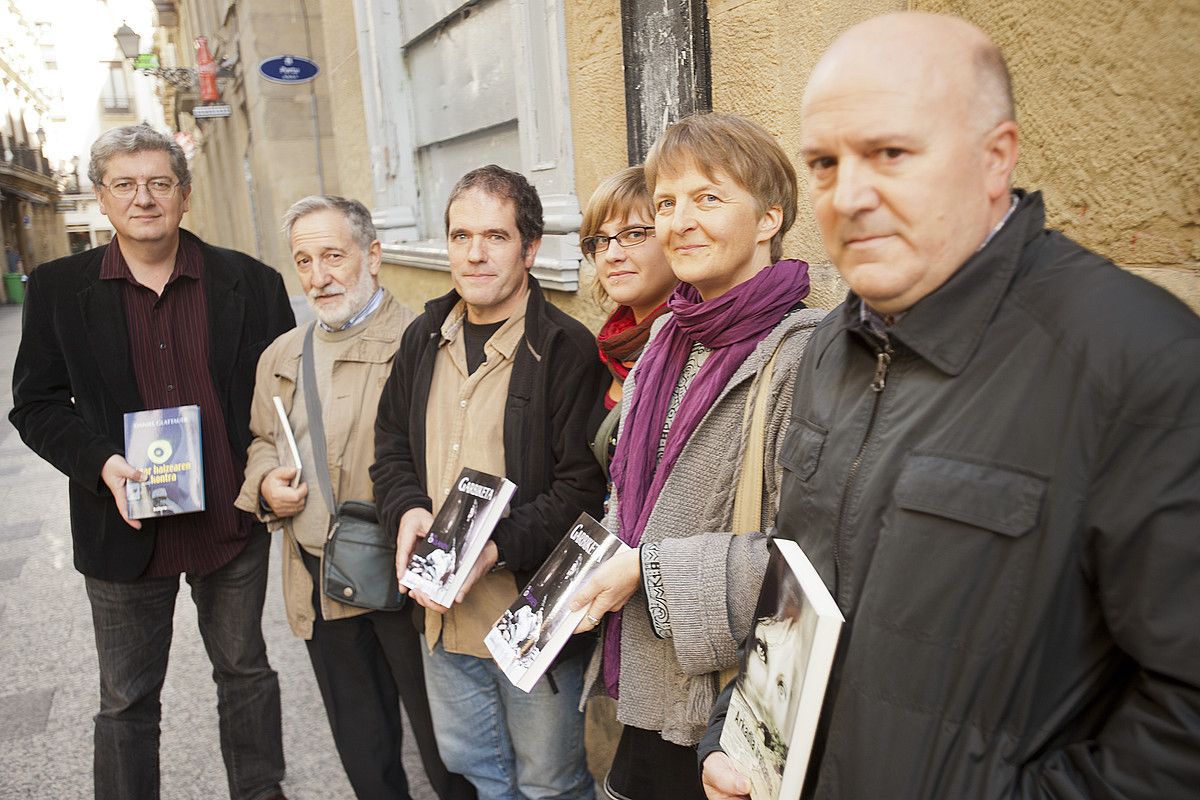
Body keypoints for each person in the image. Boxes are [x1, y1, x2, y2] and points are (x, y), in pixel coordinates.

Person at [700, 12, 1200, 800]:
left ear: (995, 158)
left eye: (890, 153)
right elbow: (795, 591)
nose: (849, 196)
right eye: (824, 163)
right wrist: (737, 736)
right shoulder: (832, 346)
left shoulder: (1140, 362)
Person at [9, 123, 294, 800]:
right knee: (126, 696)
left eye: (159, 183)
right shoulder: (57, 289)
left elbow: (285, 396)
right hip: (124, 526)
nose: (144, 199)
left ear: (184, 196)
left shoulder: (250, 283)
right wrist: (100, 461)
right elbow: (37, 404)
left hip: (230, 519)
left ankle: (261, 791)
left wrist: (273, 470)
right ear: (102, 198)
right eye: (126, 184)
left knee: (246, 671)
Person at [569, 114, 826, 800]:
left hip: (726, 709)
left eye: (708, 198)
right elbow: (632, 505)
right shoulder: (665, 341)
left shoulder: (804, 355)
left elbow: (813, 566)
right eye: (665, 202)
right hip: (641, 688)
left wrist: (646, 572)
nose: (678, 221)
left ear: (769, 218)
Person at [370, 165, 607, 800]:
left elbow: (582, 492)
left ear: (529, 249)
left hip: (526, 619)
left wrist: (494, 549)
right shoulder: (423, 338)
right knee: (475, 770)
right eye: (460, 236)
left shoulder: (563, 349)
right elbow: (390, 446)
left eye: (495, 237)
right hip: (442, 615)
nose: (474, 254)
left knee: (548, 782)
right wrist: (407, 511)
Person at [235, 195, 474, 800]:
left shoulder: (426, 342)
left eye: (334, 256)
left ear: (373, 255)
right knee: (364, 751)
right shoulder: (281, 356)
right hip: (323, 581)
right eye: (305, 260)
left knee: (450, 750)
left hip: (408, 586)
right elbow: (264, 439)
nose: (319, 276)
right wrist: (265, 483)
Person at [578, 166, 678, 475]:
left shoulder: (694, 347)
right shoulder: (611, 348)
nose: (612, 255)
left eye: (633, 234)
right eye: (601, 240)